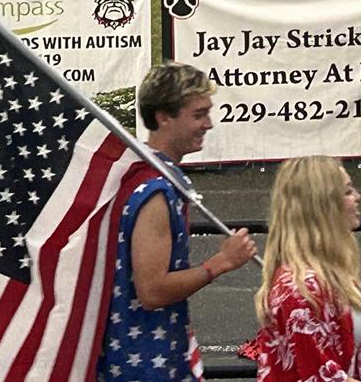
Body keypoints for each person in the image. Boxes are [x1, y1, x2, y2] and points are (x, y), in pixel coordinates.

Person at [101, 66, 258, 382]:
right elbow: (152, 290)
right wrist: (220, 263)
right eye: (198, 114)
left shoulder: (140, 172)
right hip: (144, 362)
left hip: (145, 354)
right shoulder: (155, 190)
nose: (208, 124)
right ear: (163, 117)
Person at [241, 157, 361, 382]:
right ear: (322, 205)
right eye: (347, 192)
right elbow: (321, 376)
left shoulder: (323, 273)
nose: (357, 197)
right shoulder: (302, 291)